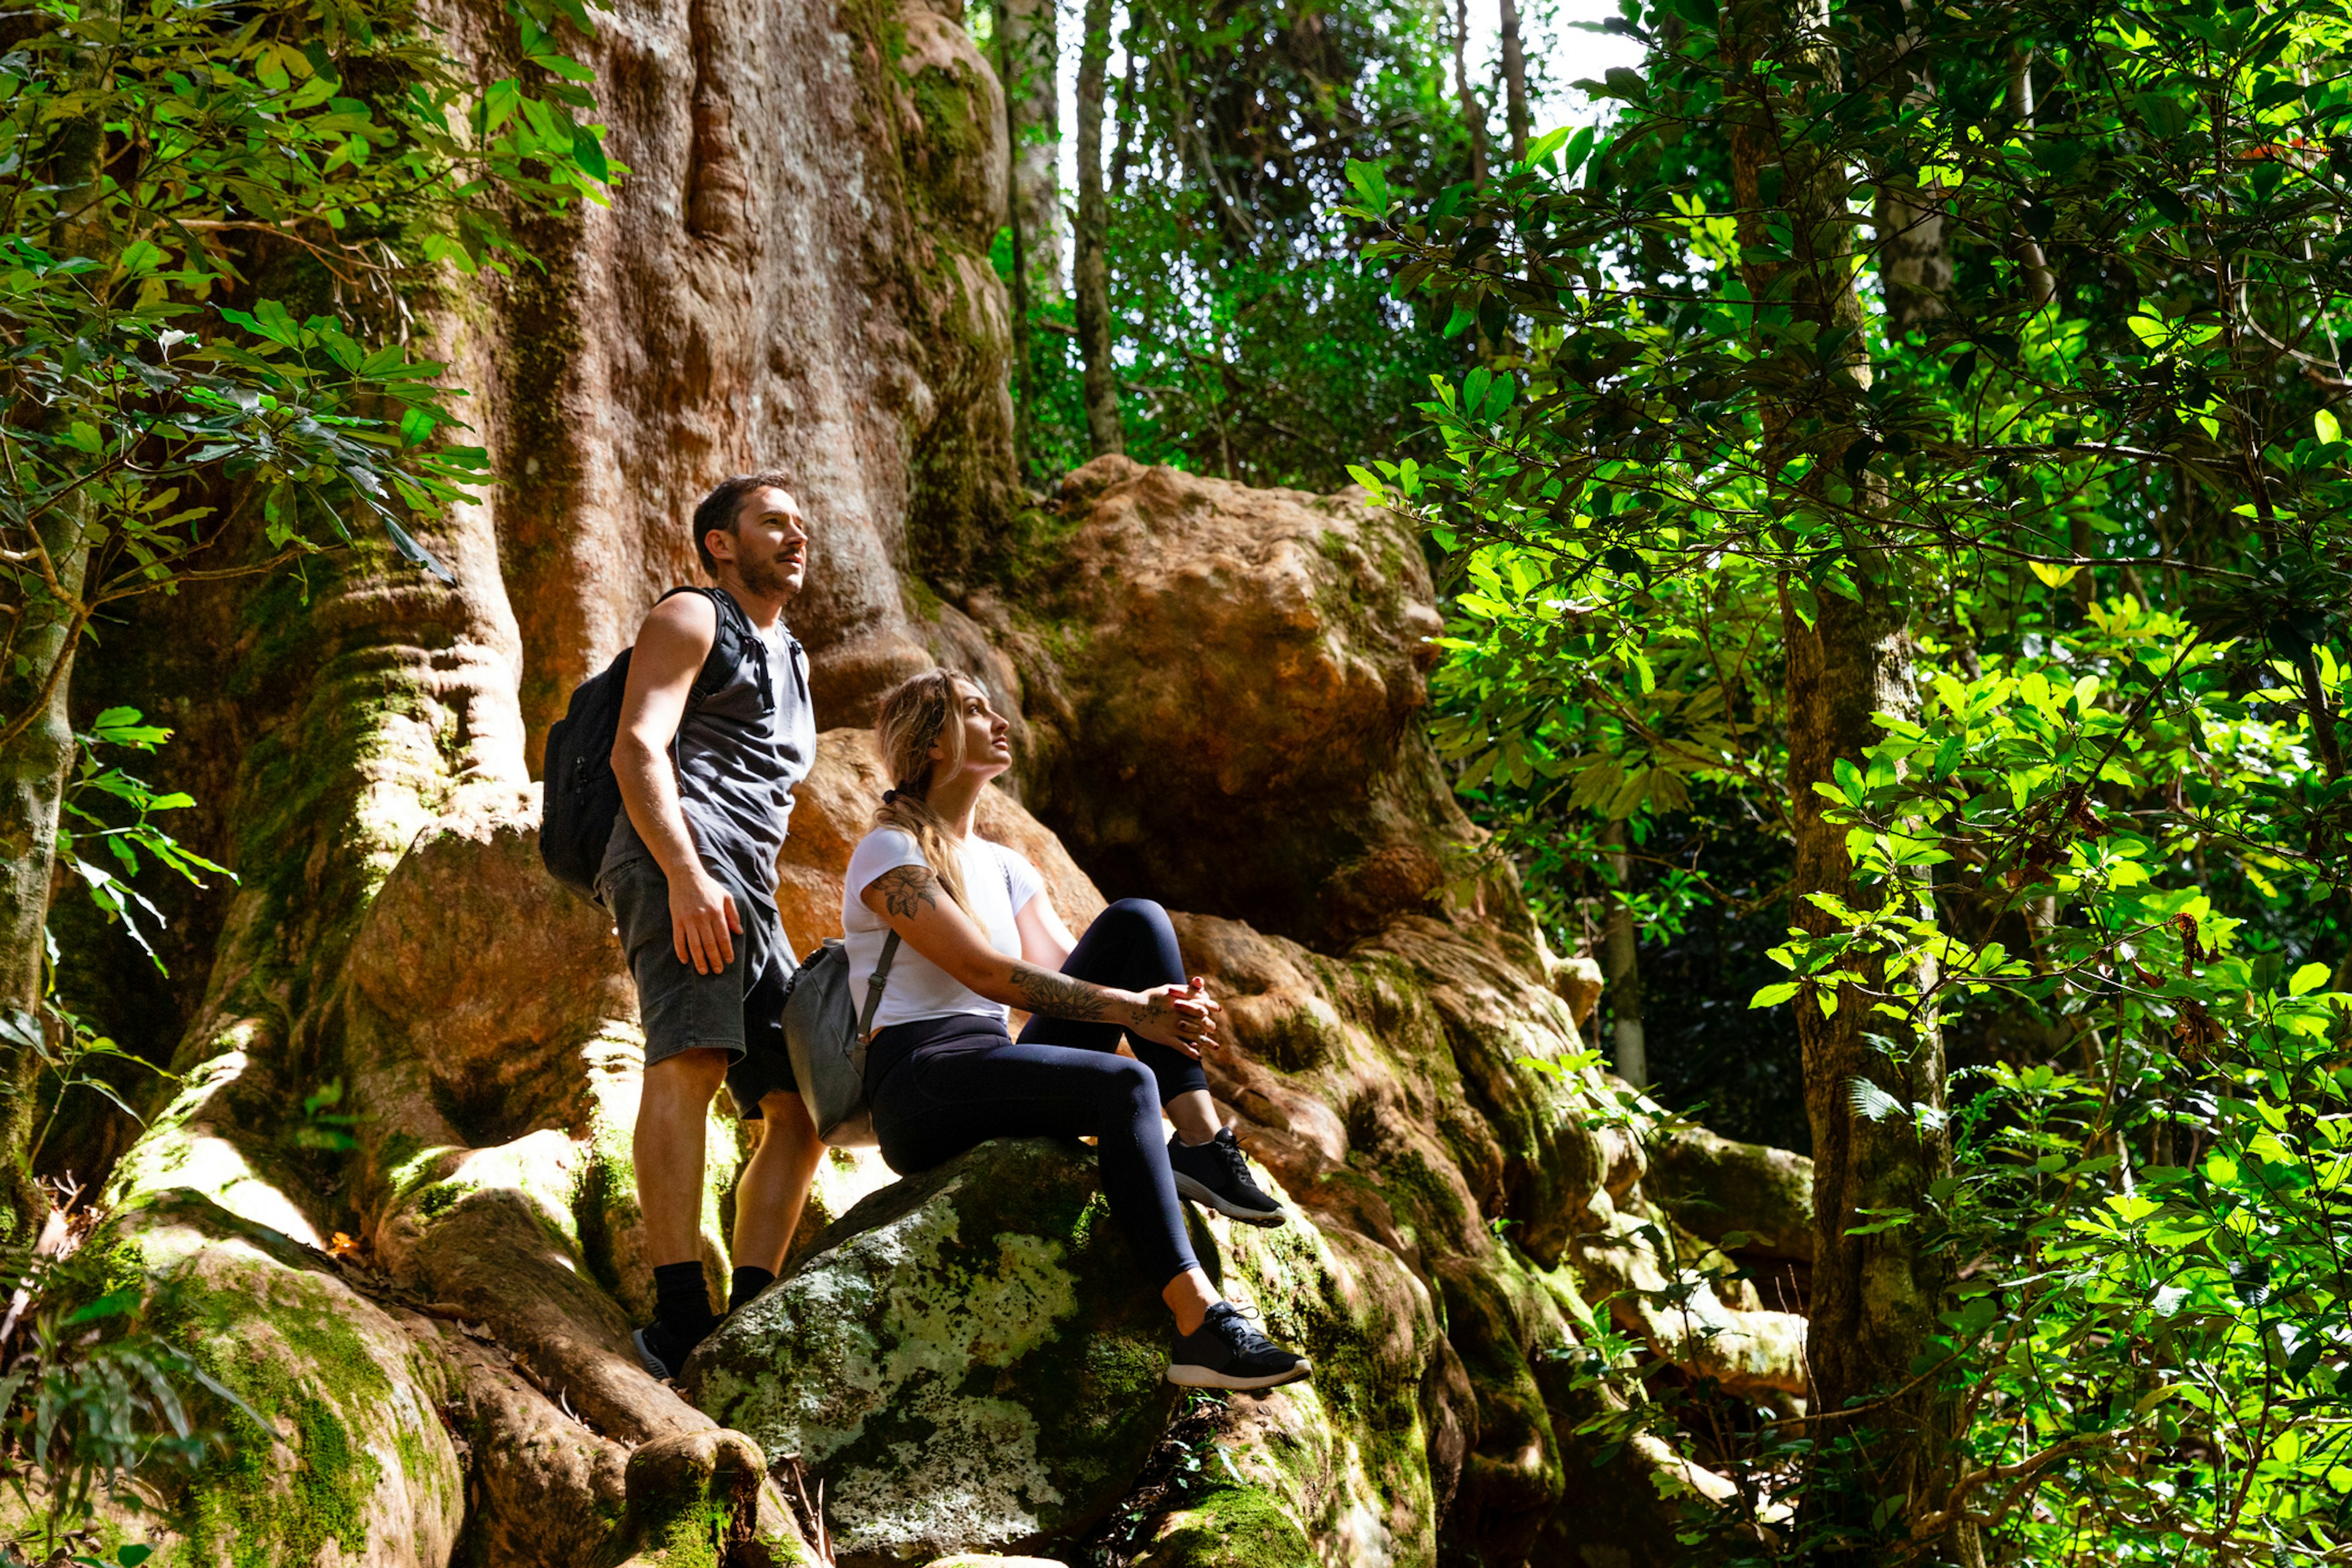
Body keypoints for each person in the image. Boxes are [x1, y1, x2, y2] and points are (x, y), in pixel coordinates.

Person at [843, 668, 1311, 1391]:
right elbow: (987, 973)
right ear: (933, 741)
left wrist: (1158, 1003)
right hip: (921, 1080)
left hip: (995, 1064)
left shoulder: (1004, 865)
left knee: (1138, 920)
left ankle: (1201, 1145)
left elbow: (1067, 973)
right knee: (1126, 1081)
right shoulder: (890, 851)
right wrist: (1134, 1011)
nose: (997, 719)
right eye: (972, 709)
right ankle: (1198, 1325)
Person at [602, 473, 824, 1379]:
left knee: (802, 1104)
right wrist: (685, 875)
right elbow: (637, 747)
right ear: (721, 543)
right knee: (690, 1060)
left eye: (801, 525)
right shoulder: (694, 616)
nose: (795, 535)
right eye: (773, 522)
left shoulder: (796, 657)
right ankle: (676, 1319)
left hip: (752, 891)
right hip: (680, 861)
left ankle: (747, 1309)